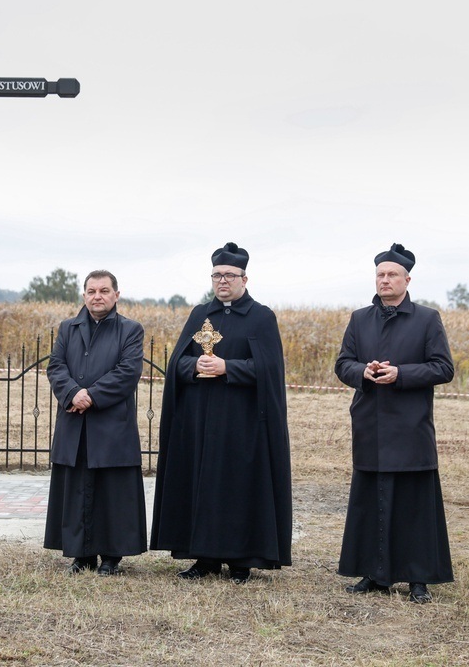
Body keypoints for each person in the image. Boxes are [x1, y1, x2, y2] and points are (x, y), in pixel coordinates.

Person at [150, 242, 293, 584]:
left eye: (229, 275)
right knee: (202, 484)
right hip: (200, 420)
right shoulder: (200, 314)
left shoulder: (261, 316)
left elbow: (270, 369)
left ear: (245, 278)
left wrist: (228, 366)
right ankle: (205, 558)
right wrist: (194, 363)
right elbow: (177, 363)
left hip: (242, 422)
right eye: (217, 275)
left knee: (238, 487)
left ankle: (241, 560)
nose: (222, 281)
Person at [334, 243, 455, 603]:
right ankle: (374, 573)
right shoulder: (359, 318)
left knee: (414, 503)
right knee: (372, 500)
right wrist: (364, 372)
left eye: (391, 275)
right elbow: (343, 364)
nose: (384, 280)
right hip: (370, 423)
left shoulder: (427, 318)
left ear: (407, 279)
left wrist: (400, 373)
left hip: (410, 425)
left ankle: (418, 578)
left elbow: (443, 368)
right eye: (380, 275)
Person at [44, 270, 147, 575]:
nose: (97, 296)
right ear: (84, 295)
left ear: (116, 295)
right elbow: (56, 366)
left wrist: (91, 395)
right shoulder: (68, 328)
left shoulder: (130, 330)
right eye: (91, 291)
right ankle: (81, 554)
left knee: (112, 493)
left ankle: (112, 556)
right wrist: (72, 393)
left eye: (104, 291)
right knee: (76, 489)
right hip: (74, 425)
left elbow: (128, 372)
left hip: (112, 426)